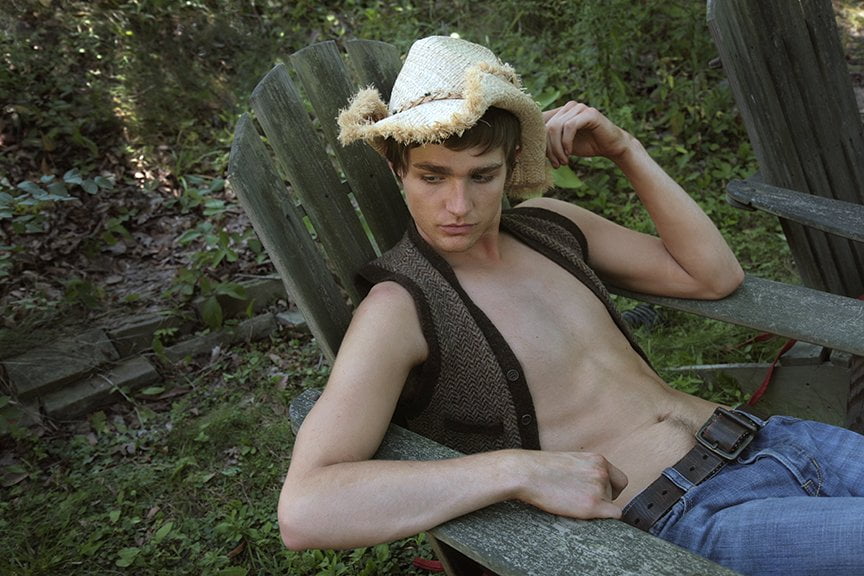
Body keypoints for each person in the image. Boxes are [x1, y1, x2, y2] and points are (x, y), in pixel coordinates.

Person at [277, 36, 864, 576]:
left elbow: (713, 276)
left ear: (510, 168)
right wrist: (515, 470)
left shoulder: (550, 227)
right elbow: (306, 508)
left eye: (482, 176)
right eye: (433, 177)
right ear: (394, 166)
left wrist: (626, 151)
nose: (458, 204)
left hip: (774, 441)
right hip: (688, 519)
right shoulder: (399, 308)